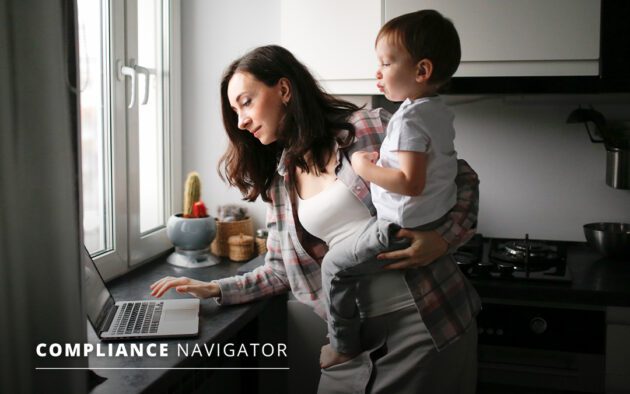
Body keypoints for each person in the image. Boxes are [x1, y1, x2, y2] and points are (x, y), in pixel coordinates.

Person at [151, 44, 481, 394]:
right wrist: (218, 288)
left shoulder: (368, 127)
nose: (240, 121)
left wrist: (443, 238)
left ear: (283, 89)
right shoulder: (280, 183)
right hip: (347, 339)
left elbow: (462, 180)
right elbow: (280, 270)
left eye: (246, 102)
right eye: (234, 111)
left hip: (425, 321)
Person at [318, 9, 467, 370]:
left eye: (386, 62)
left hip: (399, 230)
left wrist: (364, 167)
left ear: (422, 71)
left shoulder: (406, 119)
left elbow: (411, 183)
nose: (378, 72)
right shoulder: (436, 111)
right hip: (430, 218)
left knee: (333, 266)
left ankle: (342, 346)